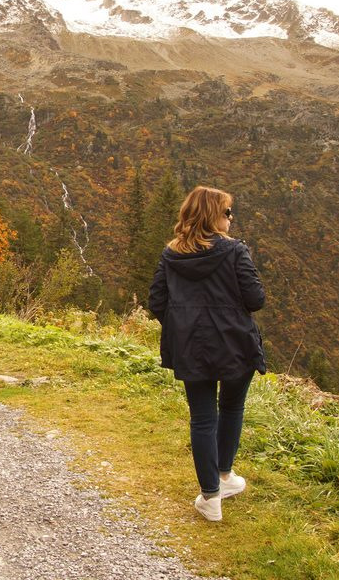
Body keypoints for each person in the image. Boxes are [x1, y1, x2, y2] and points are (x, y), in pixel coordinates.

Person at [147, 185, 266, 523]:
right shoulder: (235, 252)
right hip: (235, 343)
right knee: (231, 407)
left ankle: (211, 498)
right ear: (215, 216)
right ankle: (224, 476)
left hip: (191, 346)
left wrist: (183, 323)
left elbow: (157, 301)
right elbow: (256, 299)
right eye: (227, 212)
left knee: (202, 417)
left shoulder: (171, 255)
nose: (231, 218)